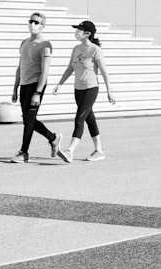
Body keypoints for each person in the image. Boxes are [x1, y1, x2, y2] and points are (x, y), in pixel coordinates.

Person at [53, 21, 115, 162]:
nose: (77, 32)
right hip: (78, 89)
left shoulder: (95, 50)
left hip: (90, 88)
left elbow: (104, 71)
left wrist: (109, 91)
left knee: (79, 119)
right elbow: (70, 68)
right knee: (89, 118)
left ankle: (70, 151)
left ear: (87, 33)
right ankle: (99, 150)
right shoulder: (76, 49)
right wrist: (60, 84)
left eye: (79, 30)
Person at [9, 12, 62, 163]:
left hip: (36, 85)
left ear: (43, 26)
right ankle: (53, 138)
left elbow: (45, 71)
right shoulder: (24, 42)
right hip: (24, 85)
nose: (33, 24)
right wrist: (15, 88)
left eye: (37, 22)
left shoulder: (45, 45)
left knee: (29, 120)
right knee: (28, 119)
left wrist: (38, 92)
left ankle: (24, 152)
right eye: (31, 21)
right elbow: (20, 67)